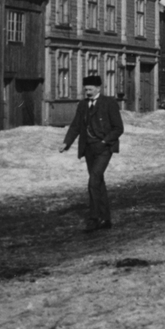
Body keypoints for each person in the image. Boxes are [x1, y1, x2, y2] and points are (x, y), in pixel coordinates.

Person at [61, 76, 124, 232]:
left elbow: (118, 128)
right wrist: (66, 143)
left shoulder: (109, 103)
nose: (87, 92)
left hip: (104, 148)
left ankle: (94, 219)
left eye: (90, 89)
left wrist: (104, 142)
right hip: (88, 148)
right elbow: (76, 126)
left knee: (93, 181)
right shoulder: (83, 105)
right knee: (98, 183)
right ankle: (106, 218)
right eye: (86, 89)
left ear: (98, 89)